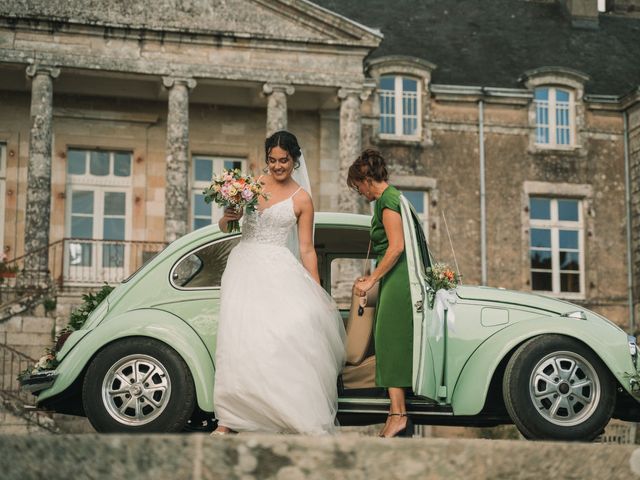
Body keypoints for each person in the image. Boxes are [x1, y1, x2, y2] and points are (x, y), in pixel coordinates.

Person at [212, 130, 346, 435]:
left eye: (283, 160)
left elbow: (308, 249)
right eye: (272, 160)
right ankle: (230, 419)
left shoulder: (302, 199)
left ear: (295, 159)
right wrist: (228, 215)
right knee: (238, 342)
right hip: (243, 268)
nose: (277, 166)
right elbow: (225, 227)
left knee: (276, 342)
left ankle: (283, 414)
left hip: (277, 272)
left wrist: (317, 294)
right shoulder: (249, 187)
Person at [348, 149, 414, 438]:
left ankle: (399, 414)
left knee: (390, 342)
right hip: (393, 277)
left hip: (398, 280)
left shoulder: (387, 200)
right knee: (389, 341)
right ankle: (394, 412)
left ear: (366, 178)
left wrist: (372, 279)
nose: (360, 192)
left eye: (357, 185)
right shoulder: (391, 199)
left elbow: (397, 246)